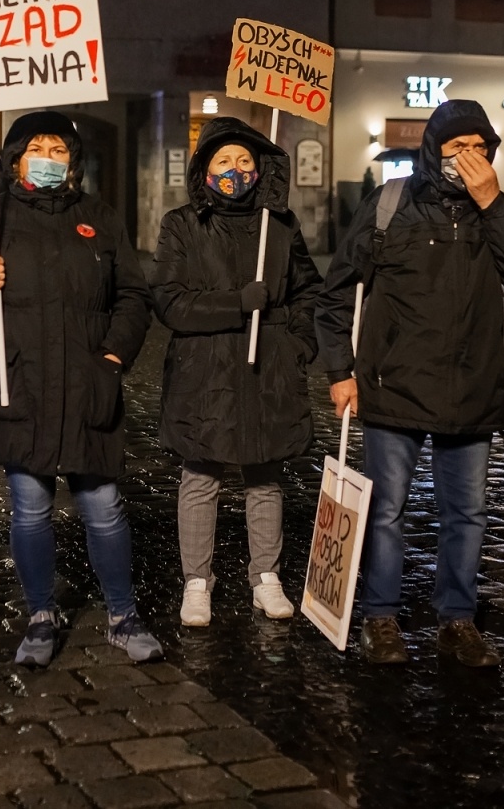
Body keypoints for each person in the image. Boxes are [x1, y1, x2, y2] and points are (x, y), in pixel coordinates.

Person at [314, 100, 504, 667]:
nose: (469, 159)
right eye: (457, 149)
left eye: (480, 148)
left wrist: (493, 202)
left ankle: (458, 621)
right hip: (393, 385)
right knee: (386, 511)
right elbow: (336, 292)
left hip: (471, 387)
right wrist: (340, 372)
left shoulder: (494, 208)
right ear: (433, 151)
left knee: (466, 514)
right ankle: (381, 617)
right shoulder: (391, 203)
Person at [0, 111, 160, 667]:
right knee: (30, 508)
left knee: (103, 507)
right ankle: (40, 614)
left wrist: (111, 357)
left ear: (73, 164)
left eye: (59, 150)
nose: (48, 158)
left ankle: (122, 615)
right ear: (13, 159)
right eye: (36, 148)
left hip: (86, 387)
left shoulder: (99, 218)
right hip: (20, 386)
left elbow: (133, 295)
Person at [152, 117, 322, 627]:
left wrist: (294, 341)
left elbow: (310, 293)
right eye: (224, 161)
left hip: (267, 370)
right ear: (205, 169)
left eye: (245, 161)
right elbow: (170, 301)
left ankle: (265, 576)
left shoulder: (281, 225)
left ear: (261, 169)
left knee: (265, 476)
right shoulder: (182, 224)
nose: (235, 170)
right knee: (200, 477)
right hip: (204, 374)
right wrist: (235, 304)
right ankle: (197, 581)